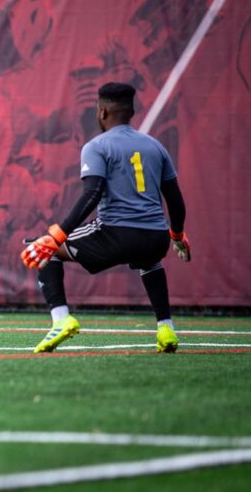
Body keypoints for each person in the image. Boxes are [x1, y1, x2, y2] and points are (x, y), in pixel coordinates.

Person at [20, 82, 191, 353]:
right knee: (150, 261)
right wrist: (177, 235)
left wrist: (55, 236)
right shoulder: (156, 147)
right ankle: (166, 328)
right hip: (156, 237)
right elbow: (175, 199)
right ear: (131, 111)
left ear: (102, 112)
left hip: (116, 235)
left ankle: (61, 320)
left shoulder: (96, 146)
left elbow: (92, 195)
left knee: (41, 248)